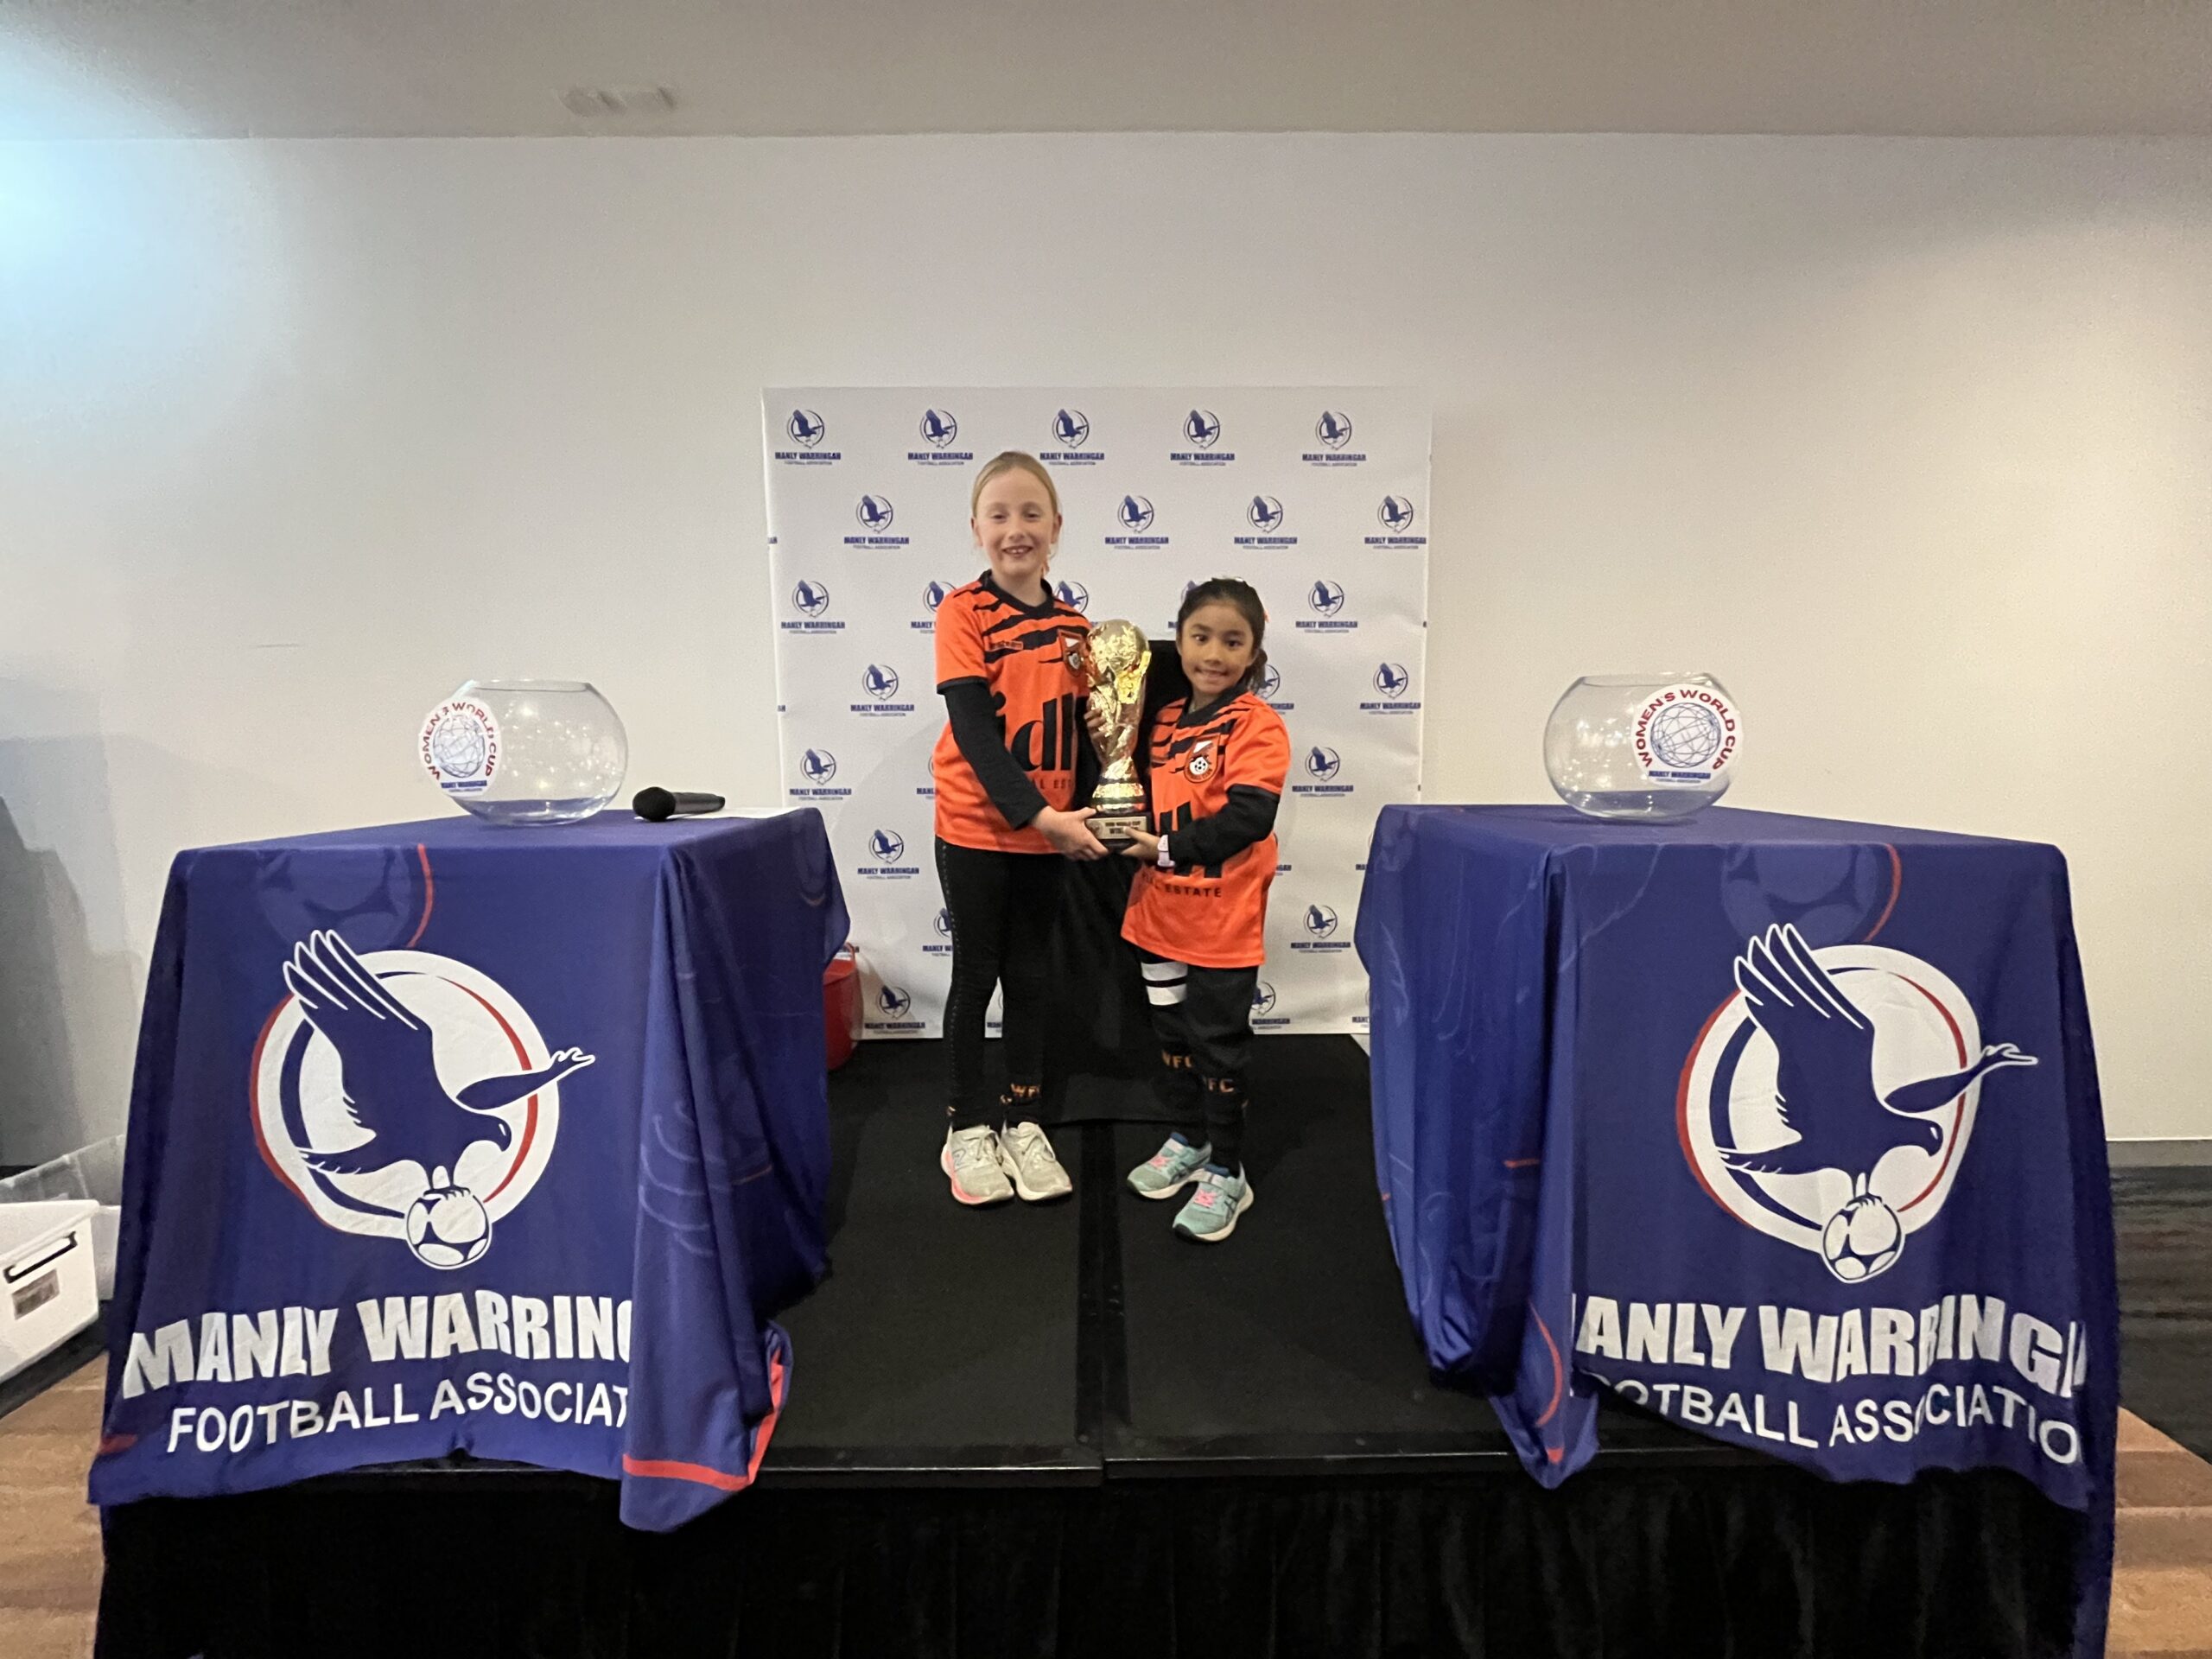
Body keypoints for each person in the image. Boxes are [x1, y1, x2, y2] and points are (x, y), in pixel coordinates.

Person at [931, 451, 1107, 1207]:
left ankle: (1023, 1117)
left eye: (1031, 513)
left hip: (1052, 835)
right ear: (976, 529)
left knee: (1033, 977)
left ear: (1057, 528)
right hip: (978, 830)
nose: (1015, 529)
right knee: (978, 974)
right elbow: (972, 729)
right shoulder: (962, 613)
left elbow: (1096, 733)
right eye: (999, 515)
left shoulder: (1078, 627)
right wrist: (1039, 816)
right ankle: (966, 1125)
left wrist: (1100, 813)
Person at [1116, 578, 1289, 1243]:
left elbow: (1247, 817)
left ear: (1252, 652)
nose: (1214, 653)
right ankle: (1187, 1138)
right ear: (1180, 640)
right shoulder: (1158, 720)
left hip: (1221, 922)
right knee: (1172, 1041)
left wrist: (1161, 847)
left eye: (1233, 641)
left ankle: (1229, 1170)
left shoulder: (1258, 725)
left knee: (1218, 1046)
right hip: (1158, 916)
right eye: (1201, 637)